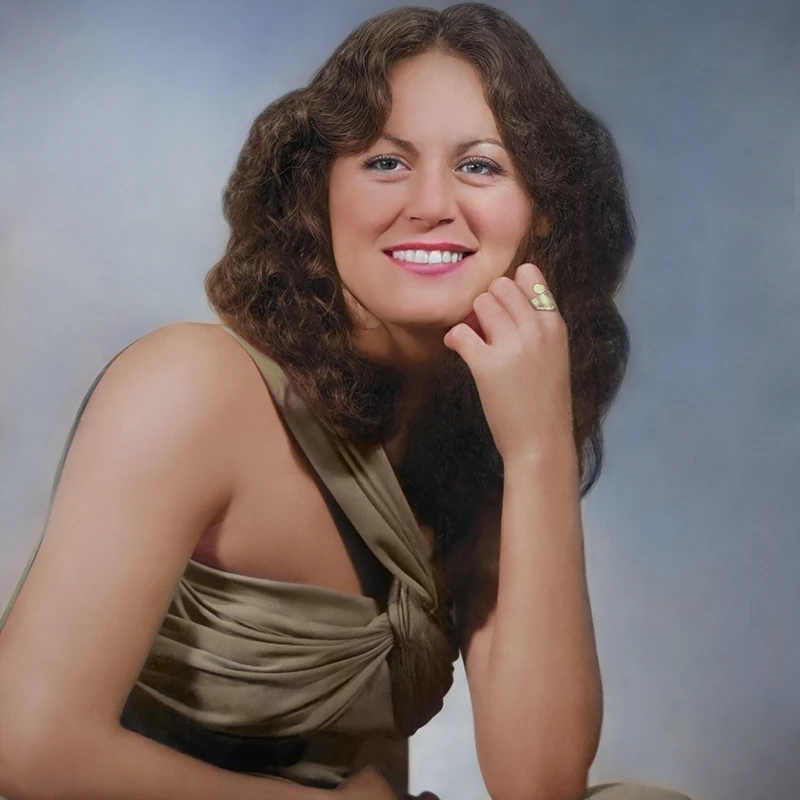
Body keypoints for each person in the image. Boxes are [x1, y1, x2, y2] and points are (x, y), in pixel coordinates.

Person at [0, 3, 694, 799]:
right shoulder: (189, 388)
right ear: (317, 192)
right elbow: (26, 747)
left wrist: (539, 450)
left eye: (480, 166)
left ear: (544, 214)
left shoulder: (474, 449)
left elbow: (542, 784)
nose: (431, 203)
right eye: (385, 162)